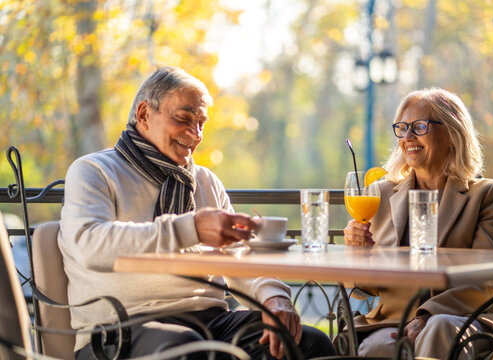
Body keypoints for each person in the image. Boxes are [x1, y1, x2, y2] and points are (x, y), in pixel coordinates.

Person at [58, 66, 336, 359]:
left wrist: (274, 296)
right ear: (143, 115)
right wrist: (192, 227)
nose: (195, 133)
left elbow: (239, 254)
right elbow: (89, 244)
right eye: (183, 118)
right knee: (186, 348)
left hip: (210, 320)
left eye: (201, 122)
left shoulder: (205, 181)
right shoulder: (93, 170)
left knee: (310, 342)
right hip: (119, 328)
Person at [343, 88, 493, 359]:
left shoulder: (489, 195)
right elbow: (364, 288)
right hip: (394, 321)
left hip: (474, 318)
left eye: (419, 126)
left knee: (437, 329)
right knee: (375, 346)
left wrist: (427, 314)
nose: (407, 137)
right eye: (402, 128)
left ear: (452, 135)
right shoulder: (380, 194)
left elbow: (489, 279)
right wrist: (357, 253)